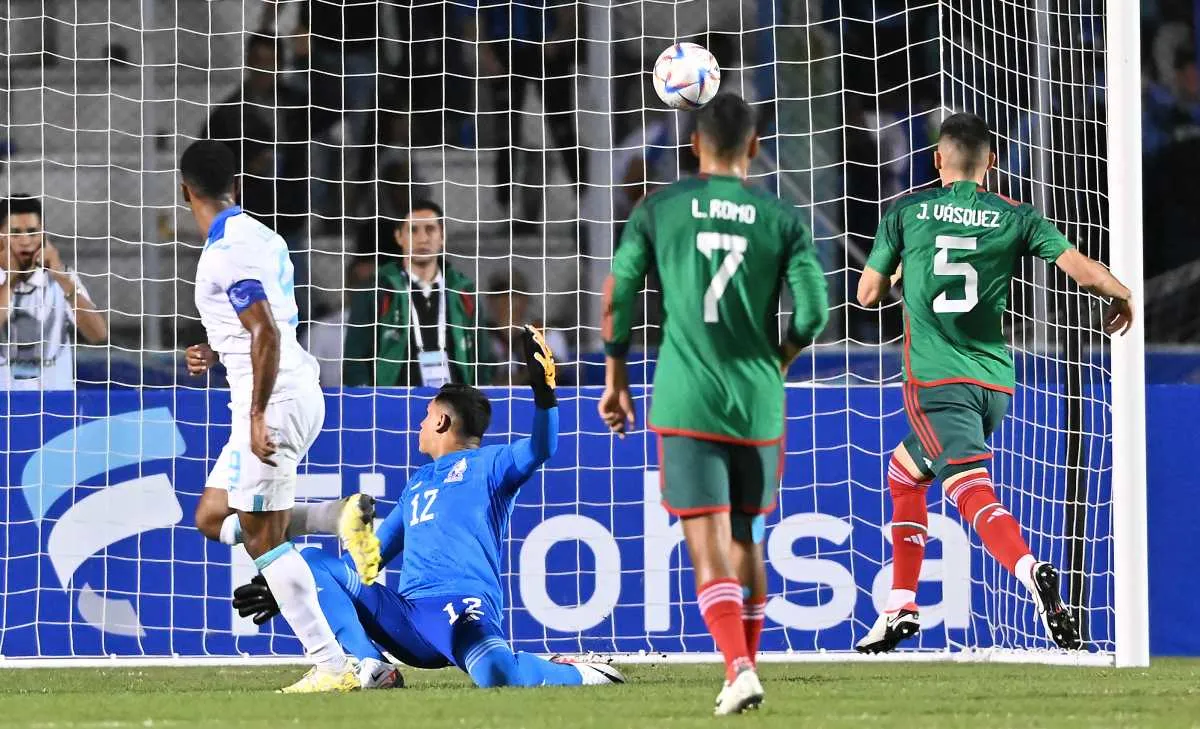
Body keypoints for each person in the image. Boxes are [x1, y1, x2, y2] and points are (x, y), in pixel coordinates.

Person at [854, 112, 1134, 654]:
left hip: (937, 380)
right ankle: (900, 606)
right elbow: (1081, 269)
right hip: (995, 385)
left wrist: (898, 275)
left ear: (937, 160)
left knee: (969, 490)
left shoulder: (907, 212)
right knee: (905, 475)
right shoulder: (1018, 216)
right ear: (993, 164)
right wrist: (1121, 292)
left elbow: (866, 295)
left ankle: (1031, 573)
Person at [599, 93, 828, 715]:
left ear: (694, 144)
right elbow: (814, 313)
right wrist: (776, 361)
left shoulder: (661, 208)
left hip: (686, 397)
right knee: (749, 539)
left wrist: (616, 374)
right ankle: (744, 669)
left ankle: (737, 666)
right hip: (757, 400)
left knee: (706, 540)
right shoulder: (782, 218)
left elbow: (618, 292)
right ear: (754, 147)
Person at [232, 330, 624, 689]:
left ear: (441, 420)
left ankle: (579, 672)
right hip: (409, 619)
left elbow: (542, 448)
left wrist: (544, 397)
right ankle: (371, 667)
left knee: (498, 677)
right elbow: (368, 561)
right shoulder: (417, 483)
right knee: (315, 562)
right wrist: (292, 585)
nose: (420, 424)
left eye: (425, 416)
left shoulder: (492, 464)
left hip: (461, 610)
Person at [177, 140, 377, 693]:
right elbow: (264, 322)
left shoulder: (224, 254)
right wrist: (216, 347)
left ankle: (334, 666)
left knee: (265, 541)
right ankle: (334, 516)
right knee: (213, 517)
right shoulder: (262, 236)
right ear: (234, 188)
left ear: (186, 190)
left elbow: (264, 329)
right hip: (276, 390)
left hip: (272, 400)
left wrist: (260, 413)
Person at [343, 200, 488, 387]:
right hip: (394, 403)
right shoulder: (377, 290)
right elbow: (355, 359)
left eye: (430, 229)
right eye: (413, 230)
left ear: (443, 236)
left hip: (456, 404)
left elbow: (484, 360)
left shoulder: (464, 290)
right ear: (398, 237)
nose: (422, 239)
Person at [0, 194, 107, 390]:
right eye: (15, 233)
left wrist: (60, 277)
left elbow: (98, 334)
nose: (25, 241)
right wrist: (11, 281)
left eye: (32, 232)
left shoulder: (63, 278)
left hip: (56, 408)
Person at [484, 270, 570, 386]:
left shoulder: (546, 332)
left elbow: (555, 371)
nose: (509, 301)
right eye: (501, 294)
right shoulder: (482, 335)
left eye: (515, 294)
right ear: (490, 300)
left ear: (526, 300)